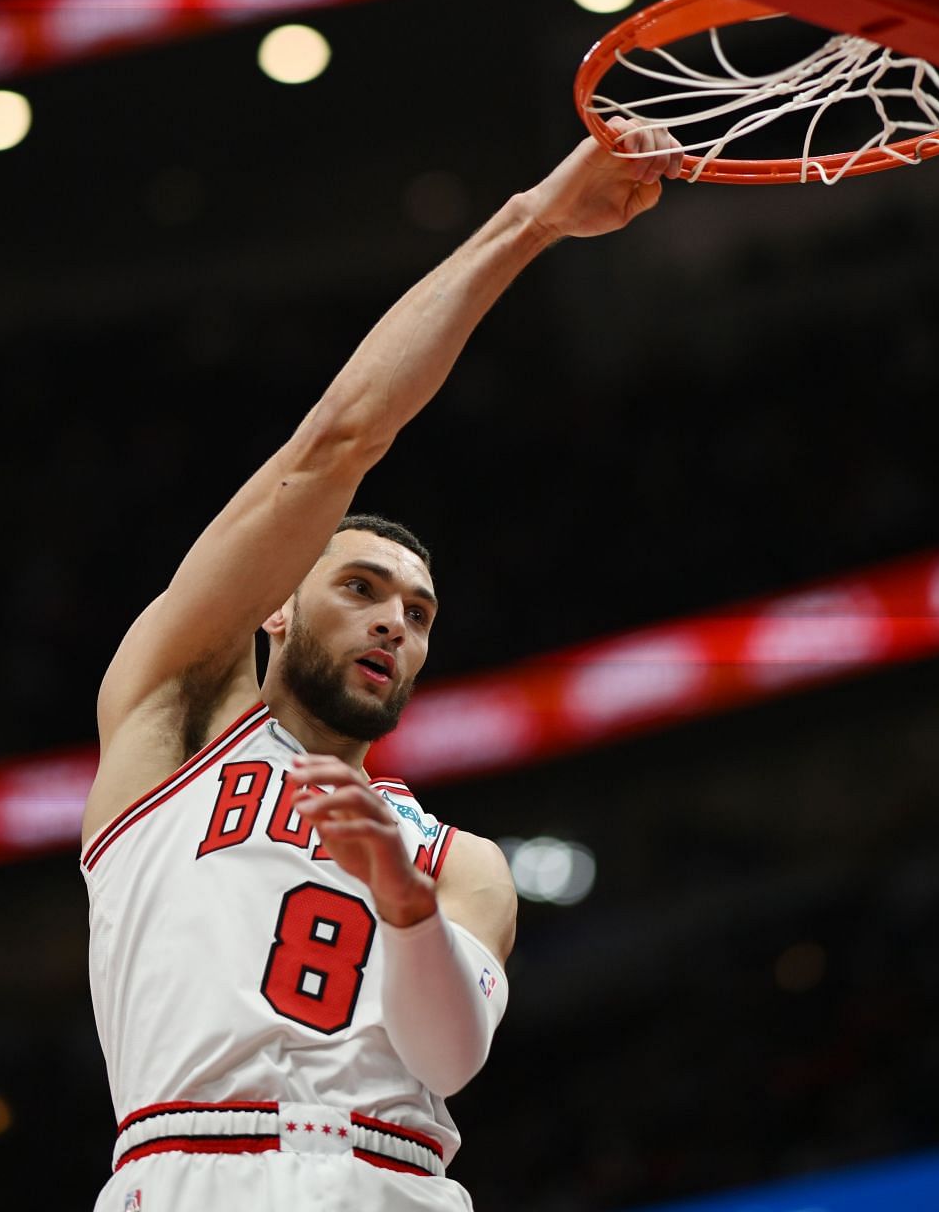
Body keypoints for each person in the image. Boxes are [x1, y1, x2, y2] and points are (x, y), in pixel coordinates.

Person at [78, 120, 683, 1212]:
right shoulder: (171, 722)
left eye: (418, 609)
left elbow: (447, 1061)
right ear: (275, 606)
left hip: (392, 1182)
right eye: (359, 587)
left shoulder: (465, 865)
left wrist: (404, 905)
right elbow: (339, 440)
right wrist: (533, 222)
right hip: (195, 1171)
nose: (394, 621)